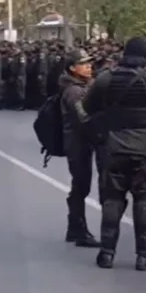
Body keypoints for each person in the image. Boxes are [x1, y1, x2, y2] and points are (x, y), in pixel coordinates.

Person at [82, 38, 146, 271]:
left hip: (113, 146)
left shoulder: (105, 79)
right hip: (145, 149)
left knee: (113, 199)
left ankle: (106, 254)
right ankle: (144, 257)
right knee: (144, 200)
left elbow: (87, 107)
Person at [59, 49, 100, 248]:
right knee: (81, 186)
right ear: (73, 68)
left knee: (80, 186)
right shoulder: (74, 91)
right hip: (78, 143)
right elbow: (82, 119)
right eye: (84, 64)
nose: (89, 67)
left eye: (89, 63)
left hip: (82, 142)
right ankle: (78, 229)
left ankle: (74, 228)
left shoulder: (83, 85)